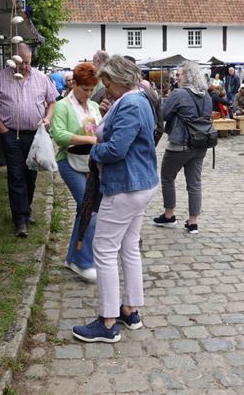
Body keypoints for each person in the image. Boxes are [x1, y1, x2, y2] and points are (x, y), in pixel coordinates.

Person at [72, 55, 158, 343]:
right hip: (138, 183)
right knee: (129, 247)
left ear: (120, 79)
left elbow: (115, 150)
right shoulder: (138, 99)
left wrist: (93, 153)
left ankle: (107, 322)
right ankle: (130, 310)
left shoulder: (132, 103)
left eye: (107, 82)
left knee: (105, 249)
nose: (104, 88)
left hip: (125, 184)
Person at [0, 43, 59, 238]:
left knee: (31, 175)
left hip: (35, 134)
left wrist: (48, 118)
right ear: (13, 60)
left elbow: (52, 101)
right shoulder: (0, 78)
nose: (25, 67)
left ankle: (27, 208)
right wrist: (2, 128)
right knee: (16, 176)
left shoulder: (41, 78)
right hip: (11, 134)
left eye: (28, 62)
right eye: (21, 63)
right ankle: (20, 220)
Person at [50, 63, 102, 282]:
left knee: (85, 211)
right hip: (69, 163)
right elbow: (58, 134)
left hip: (91, 165)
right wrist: (89, 139)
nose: (88, 94)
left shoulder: (94, 107)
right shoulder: (63, 106)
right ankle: (84, 262)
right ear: (74, 85)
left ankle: (73, 258)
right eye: (84, 89)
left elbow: (101, 129)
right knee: (88, 210)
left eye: (91, 90)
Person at [152, 61, 212, 234]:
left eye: (179, 74)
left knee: (167, 177)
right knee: (194, 184)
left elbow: (164, 114)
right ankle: (193, 222)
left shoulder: (178, 94)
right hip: (200, 143)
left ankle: (169, 215)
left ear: (188, 76)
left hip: (179, 144)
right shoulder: (206, 95)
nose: (176, 77)